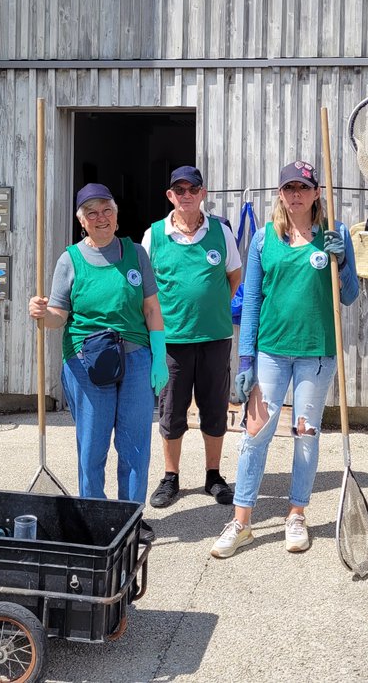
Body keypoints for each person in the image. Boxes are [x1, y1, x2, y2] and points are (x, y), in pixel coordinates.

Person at [210, 160, 357, 558]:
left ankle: (296, 513)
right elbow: (252, 300)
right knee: (254, 436)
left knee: (305, 436)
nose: (296, 195)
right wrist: (245, 361)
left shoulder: (335, 234)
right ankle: (241, 522)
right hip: (271, 353)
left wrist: (341, 263)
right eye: (289, 188)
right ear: (280, 193)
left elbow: (349, 295)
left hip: (317, 353)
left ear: (316, 194)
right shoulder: (262, 239)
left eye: (304, 188)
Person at [29, 183, 168, 545]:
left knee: (135, 445)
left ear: (117, 215)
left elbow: (151, 308)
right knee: (92, 446)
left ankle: (130, 517)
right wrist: (43, 316)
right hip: (87, 362)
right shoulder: (69, 259)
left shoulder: (136, 254)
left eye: (106, 210)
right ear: (82, 220)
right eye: (92, 212)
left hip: (136, 359)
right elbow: (59, 315)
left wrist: (159, 356)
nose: (101, 218)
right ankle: (96, 517)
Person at [141, 166, 243, 509]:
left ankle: (213, 476)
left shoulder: (221, 232)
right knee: (171, 412)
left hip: (215, 338)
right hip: (171, 343)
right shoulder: (154, 235)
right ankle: (170, 477)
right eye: (179, 190)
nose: (186, 195)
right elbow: (145, 291)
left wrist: (210, 308)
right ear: (170, 196)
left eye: (192, 189)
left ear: (203, 193)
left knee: (214, 409)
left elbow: (234, 277)